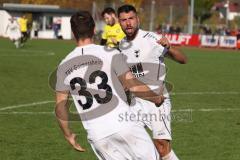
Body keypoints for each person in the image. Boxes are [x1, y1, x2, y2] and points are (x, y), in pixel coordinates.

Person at [55, 10, 166, 160]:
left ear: (74, 33)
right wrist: (156, 99)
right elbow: (132, 85)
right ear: (94, 30)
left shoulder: (63, 65)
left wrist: (68, 134)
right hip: (124, 125)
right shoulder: (110, 53)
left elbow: (60, 106)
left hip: (98, 135)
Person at [118, 4, 187, 160]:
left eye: (131, 18)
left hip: (157, 100)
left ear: (137, 19)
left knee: (162, 146)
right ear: (119, 22)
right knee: (131, 144)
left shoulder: (151, 39)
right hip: (135, 102)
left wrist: (169, 48)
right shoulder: (121, 45)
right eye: (124, 20)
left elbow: (183, 59)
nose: (128, 23)